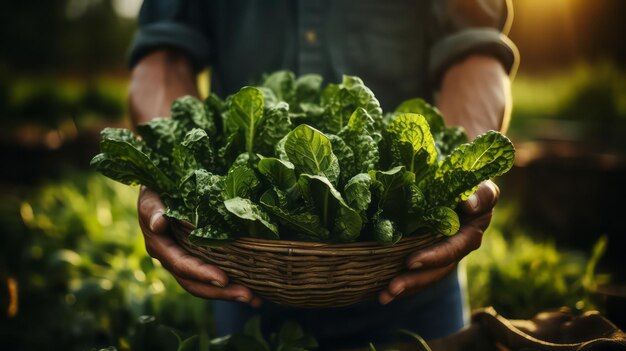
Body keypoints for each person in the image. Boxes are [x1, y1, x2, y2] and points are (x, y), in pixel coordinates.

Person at [129, 0, 518, 348]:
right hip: (242, 275)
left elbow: (474, 46)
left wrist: (456, 179)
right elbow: (165, 52)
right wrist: (174, 171)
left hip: (413, 276)